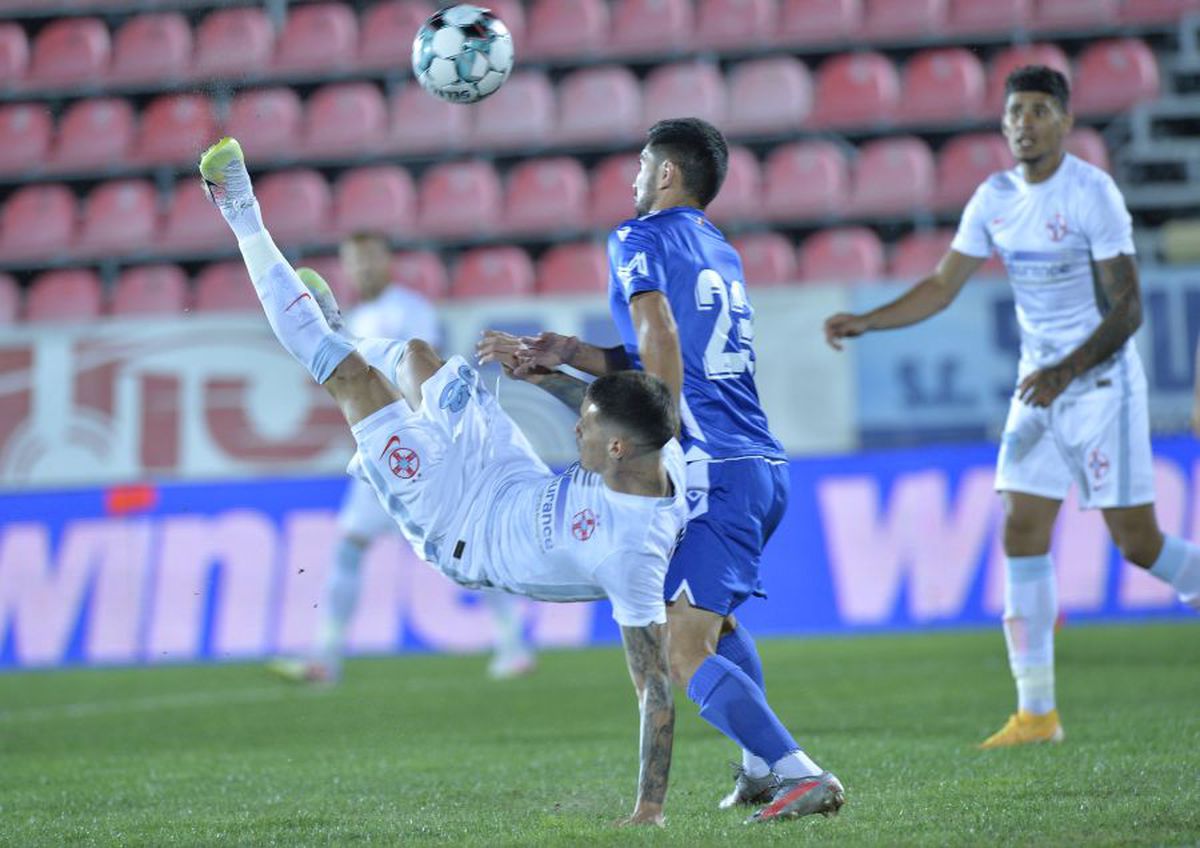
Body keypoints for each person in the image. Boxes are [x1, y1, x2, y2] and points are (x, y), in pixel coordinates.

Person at [199, 136, 686, 826]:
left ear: (614, 449)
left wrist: (650, 808)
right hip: (502, 466)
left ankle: (239, 210)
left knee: (351, 376)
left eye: (585, 430)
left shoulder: (632, 555)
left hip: (461, 523)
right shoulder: (656, 448)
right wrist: (544, 373)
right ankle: (332, 326)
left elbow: (654, 690)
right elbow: (601, 412)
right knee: (420, 356)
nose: (572, 432)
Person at [479, 117, 844, 824]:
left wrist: (665, 434)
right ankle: (761, 769)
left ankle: (804, 773)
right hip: (758, 462)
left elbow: (660, 339)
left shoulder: (638, 237)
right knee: (718, 625)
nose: (635, 178)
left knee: (681, 648)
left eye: (644, 165)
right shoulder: (718, 249)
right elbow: (654, 349)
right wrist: (569, 352)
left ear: (668, 174)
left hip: (712, 465)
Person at [823, 66, 1200, 749]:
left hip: (1101, 384)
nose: (1022, 123)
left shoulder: (1092, 194)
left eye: (1036, 110)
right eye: (1013, 113)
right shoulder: (993, 197)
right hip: (1039, 388)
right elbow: (942, 287)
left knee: (1137, 544)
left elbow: (1128, 309)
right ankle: (1037, 713)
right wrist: (868, 322)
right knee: (1020, 530)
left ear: (1065, 121)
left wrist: (1065, 370)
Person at [268, 232, 535, 684]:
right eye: (353, 262)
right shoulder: (356, 316)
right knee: (351, 546)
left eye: (369, 259)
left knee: (471, 542)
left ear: (387, 261)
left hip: (416, 450)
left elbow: (418, 369)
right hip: (382, 452)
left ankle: (513, 646)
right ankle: (325, 657)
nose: (362, 269)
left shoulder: (409, 308)